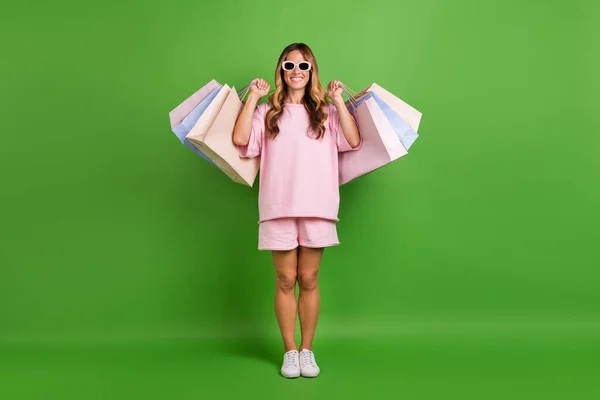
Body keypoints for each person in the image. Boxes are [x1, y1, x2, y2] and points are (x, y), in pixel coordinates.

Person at [232, 43, 361, 378]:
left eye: (304, 66)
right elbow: (241, 138)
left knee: (309, 277)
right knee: (286, 279)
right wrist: (252, 98)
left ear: (312, 71)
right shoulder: (267, 113)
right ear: (281, 71)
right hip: (278, 205)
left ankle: (307, 350)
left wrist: (338, 102)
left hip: (318, 204)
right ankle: (290, 351)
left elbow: (353, 141)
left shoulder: (326, 113)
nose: (296, 72)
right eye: (289, 65)